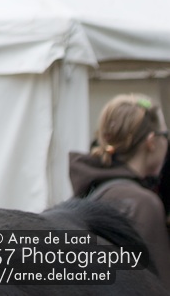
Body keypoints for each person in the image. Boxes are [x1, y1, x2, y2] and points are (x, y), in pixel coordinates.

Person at [69, 94, 170, 277]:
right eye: (165, 135)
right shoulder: (142, 204)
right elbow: (159, 284)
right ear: (151, 142)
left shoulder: (92, 189)